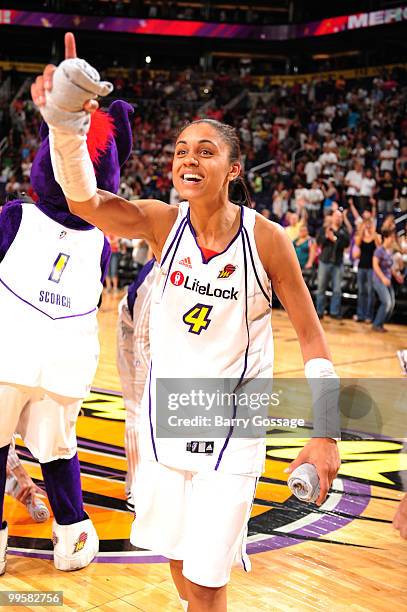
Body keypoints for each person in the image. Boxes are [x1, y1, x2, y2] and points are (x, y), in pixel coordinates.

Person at [31, 34, 341, 611]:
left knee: (207, 576)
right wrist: (65, 126)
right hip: (164, 420)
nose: (188, 160)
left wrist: (325, 431)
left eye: (204, 151)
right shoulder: (160, 223)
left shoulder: (266, 240)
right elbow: (84, 201)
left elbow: (311, 334)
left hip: (233, 430)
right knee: (176, 560)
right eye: (179, 150)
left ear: (233, 169)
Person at [0, 96, 134, 574]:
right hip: (66, 366)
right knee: (59, 450)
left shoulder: (15, 216)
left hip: (7, 357)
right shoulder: (101, 240)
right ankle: (73, 535)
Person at [116, 254, 158, 511]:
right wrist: (151, 379)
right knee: (138, 410)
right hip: (132, 335)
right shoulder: (153, 277)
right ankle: (135, 486)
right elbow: (141, 339)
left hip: (163, 339)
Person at [316, 210, 350, 319]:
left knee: (337, 290)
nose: (338, 218)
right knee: (321, 288)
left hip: (337, 263)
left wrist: (334, 239)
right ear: (332, 217)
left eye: (340, 217)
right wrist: (327, 237)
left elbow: (346, 243)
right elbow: (318, 241)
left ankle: (334, 312)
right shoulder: (325, 229)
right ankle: (319, 312)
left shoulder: (344, 231)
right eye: (336, 216)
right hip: (324, 262)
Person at [371, 229, 401, 332]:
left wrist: (396, 276)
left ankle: (380, 324)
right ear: (386, 238)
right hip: (379, 280)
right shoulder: (379, 250)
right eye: (391, 238)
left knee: (391, 304)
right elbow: (375, 265)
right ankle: (376, 325)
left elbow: (390, 268)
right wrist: (383, 278)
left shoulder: (389, 252)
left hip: (388, 281)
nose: (393, 240)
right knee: (386, 302)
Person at [353, 216, 381, 322]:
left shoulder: (376, 237)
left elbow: (379, 247)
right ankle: (360, 315)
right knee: (361, 292)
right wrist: (362, 229)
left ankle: (369, 316)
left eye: (370, 224)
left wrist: (373, 232)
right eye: (367, 224)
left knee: (370, 292)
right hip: (361, 267)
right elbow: (357, 243)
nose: (368, 226)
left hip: (371, 268)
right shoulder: (361, 236)